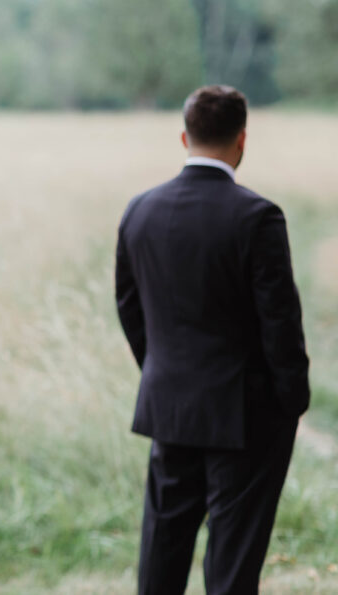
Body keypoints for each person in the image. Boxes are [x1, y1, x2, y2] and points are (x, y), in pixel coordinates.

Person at [115, 85, 310, 594]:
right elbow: (280, 323)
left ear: (185, 135)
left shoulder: (140, 211)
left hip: (171, 406)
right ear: (242, 139)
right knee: (232, 558)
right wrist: (291, 402)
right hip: (245, 415)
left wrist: (162, 372)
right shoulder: (257, 217)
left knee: (162, 546)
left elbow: (130, 308)